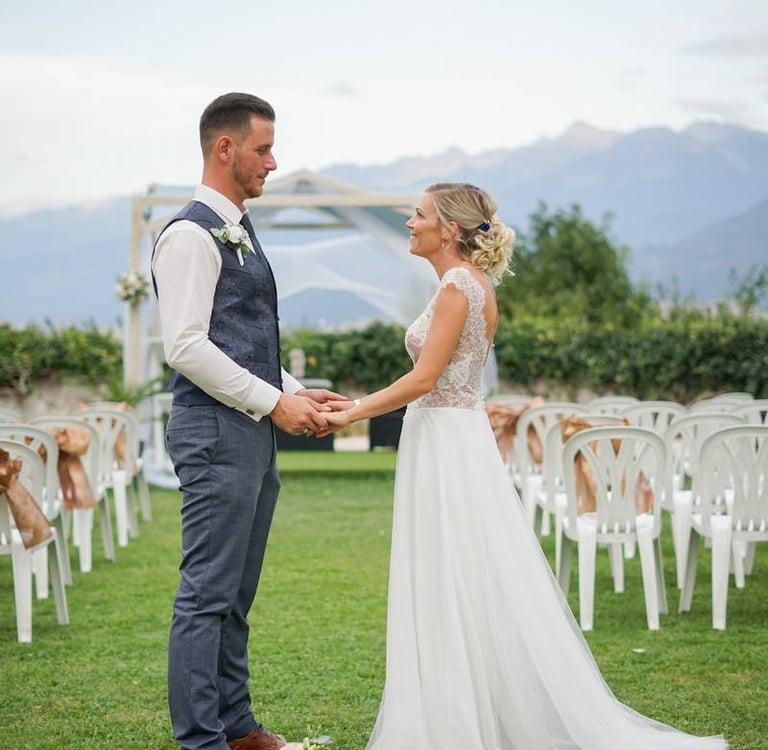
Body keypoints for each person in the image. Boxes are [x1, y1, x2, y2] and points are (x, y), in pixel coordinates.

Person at [324, 183, 728, 750]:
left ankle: (455, 722)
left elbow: (424, 378)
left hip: (446, 440)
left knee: (450, 570)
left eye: (418, 215)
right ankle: (469, 710)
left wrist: (351, 412)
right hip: (451, 435)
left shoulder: (457, 287)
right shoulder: (471, 284)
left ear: (449, 228)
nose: (410, 224)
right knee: (459, 569)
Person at [151, 92, 345, 750]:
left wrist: (298, 392)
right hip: (214, 431)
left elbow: (241, 340)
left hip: (249, 430)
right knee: (207, 593)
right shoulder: (188, 235)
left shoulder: (241, 227)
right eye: (263, 149)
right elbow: (185, 346)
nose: (273, 162)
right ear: (225, 148)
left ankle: (237, 728)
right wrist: (273, 402)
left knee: (236, 593)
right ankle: (202, 741)